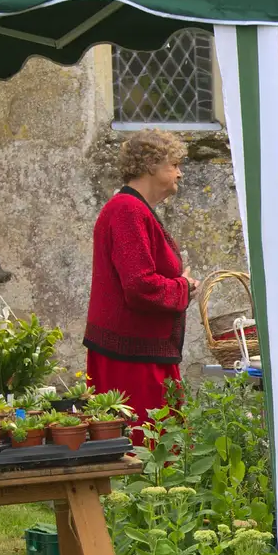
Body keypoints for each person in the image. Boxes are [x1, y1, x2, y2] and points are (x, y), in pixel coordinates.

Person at [83, 129, 200, 430]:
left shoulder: (135, 210)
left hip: (140, 355)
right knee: (146, 451)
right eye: (173, 164)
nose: (180, 173)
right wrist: (183, 288)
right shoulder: (126, 210)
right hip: (130, 363)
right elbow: (139, 286)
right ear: (151, 165)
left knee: (160, 450)